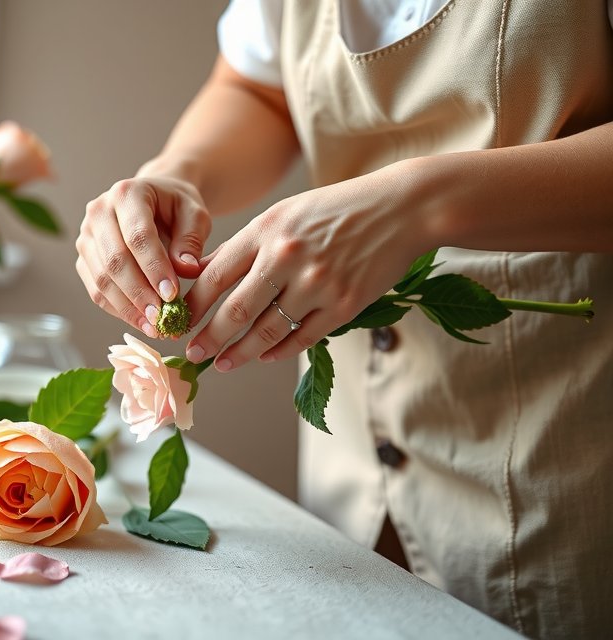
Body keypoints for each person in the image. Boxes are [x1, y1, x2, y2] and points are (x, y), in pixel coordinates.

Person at [75, 1, 613, 637]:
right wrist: (177, 172)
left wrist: (415, 204)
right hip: (351, 476)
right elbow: (258, 88)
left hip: (565, 469)